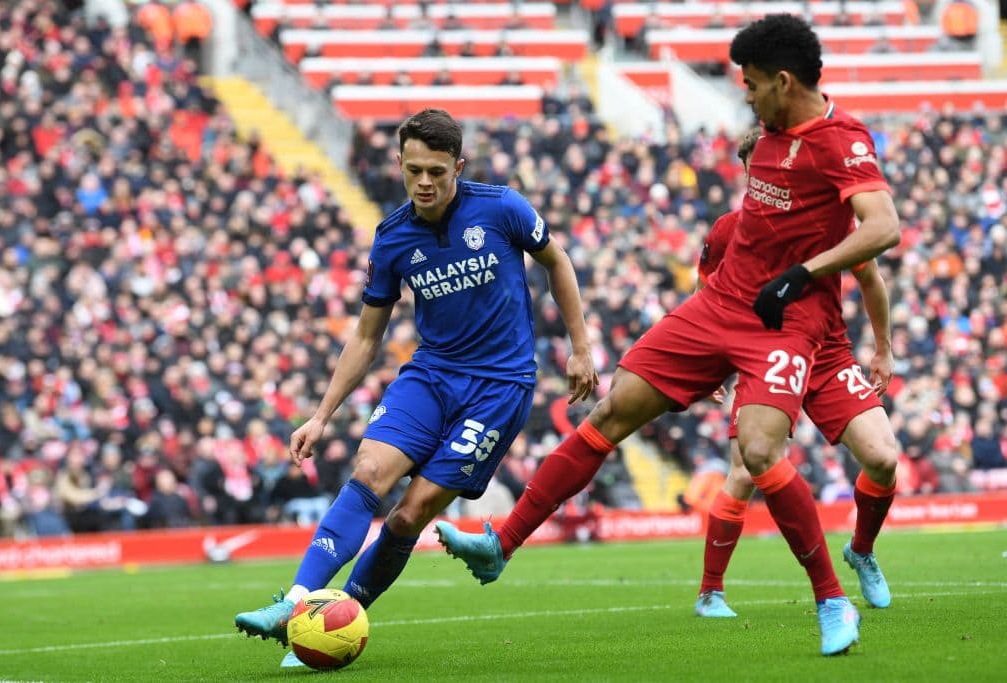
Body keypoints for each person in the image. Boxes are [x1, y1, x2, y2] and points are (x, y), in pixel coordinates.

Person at [436, 14, 900, 657]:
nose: (745, 95)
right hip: (718, 306)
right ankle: (502, 543)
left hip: (787, 321)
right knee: (611, 410)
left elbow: (883, 229)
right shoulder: (768, 130)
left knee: (762, 453)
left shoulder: (843, 140)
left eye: (753, 83)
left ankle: (831, 596)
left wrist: (805, 274)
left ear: (784, 82)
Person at [234, 108, 597, 665]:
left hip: (499, 387)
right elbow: (365, 336)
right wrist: (322, 415)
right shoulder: (392, 237)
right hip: (430, 375)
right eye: (412, 170)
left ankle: (327, 623)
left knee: (408, 515)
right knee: (368, 472)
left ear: (458, 165)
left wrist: (580, 348)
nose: (424, 182)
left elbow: (558, 262)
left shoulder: (502, 208)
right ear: (399, 165)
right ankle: (297, 603)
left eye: (436, 171)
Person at [693, 129, 898, 618]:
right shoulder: (727, 230)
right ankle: (710, 591)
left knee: (885, 459)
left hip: (826, 353)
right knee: (744, 470)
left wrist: (883, 350)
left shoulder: (831, 222)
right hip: (760, 353)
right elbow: (707, 290)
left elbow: (870, 280)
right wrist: (713, 359)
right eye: (751, 171)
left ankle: (862, 550)